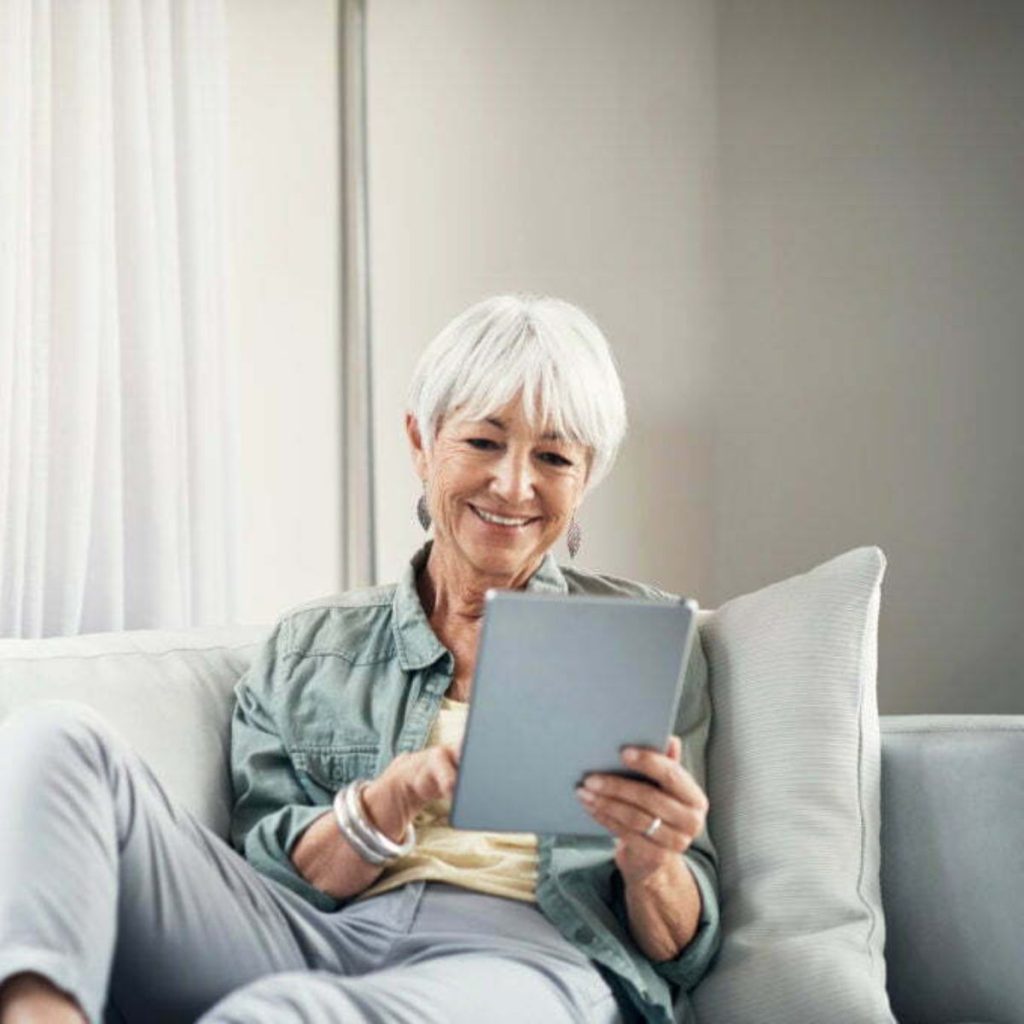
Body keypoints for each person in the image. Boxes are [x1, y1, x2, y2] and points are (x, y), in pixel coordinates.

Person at [0, 294, 721, 1024]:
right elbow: (273, 876)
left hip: (529, 961)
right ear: (421, 441)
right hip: (321, 935)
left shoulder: (640, 638)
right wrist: (384, 805)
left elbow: (683, 947)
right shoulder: (312, 648)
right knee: (60, 739)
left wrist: (653, 860)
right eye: (482, 442)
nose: (513, 484)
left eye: (554, 457)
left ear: (584, 478)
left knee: (288, 1014)